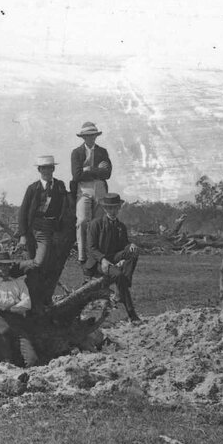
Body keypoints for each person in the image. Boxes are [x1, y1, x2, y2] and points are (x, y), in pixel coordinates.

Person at [16, 155, 69, 309]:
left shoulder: (59, 185)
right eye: (44, 168)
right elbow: (23, 211)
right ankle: (14, 268)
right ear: (39, 170)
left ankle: (40, 299)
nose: (47, 171)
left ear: (53, 169)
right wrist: (23, 235)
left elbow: (65, 204)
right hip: (36, 228)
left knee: (46, 266)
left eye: (50, 168)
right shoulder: (33, 188)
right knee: (37, 263)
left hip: (53, 228)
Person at [84, 193, 141, 323]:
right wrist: (103, 260)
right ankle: (132, 314)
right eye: (110, 208)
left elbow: (123, 245)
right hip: (98, 262)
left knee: (133, 251)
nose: (113, 211)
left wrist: (130, 245)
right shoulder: (95, 224)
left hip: (114, 258)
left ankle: (121, 289)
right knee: (119, 276)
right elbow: (91, 248)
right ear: (105, 209)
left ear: (119, 208)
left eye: (115, 208)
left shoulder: (121, 226)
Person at [0, 251, 38, 367]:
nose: (4, 268)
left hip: (18, 321)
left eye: (6, 265)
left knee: (32, 359)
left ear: (10, 266)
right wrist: (15, 302)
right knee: (6, 361)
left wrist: (9, 308)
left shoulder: (19, 283)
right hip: (0, 322)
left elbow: (27, 303)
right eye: (0, 265)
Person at [70, 121, 112, 264]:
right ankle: (82, 255)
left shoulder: (102, 151)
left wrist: (88, 170)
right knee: (82, 220)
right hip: (84, 189)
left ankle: (98, 256)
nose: (91, 138)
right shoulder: (76, 152)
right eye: (88, 136)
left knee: (99, 222)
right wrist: (97, 170)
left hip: (100, 188)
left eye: (93, 135)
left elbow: (107, 173)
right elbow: (77, 175)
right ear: (83, 137)